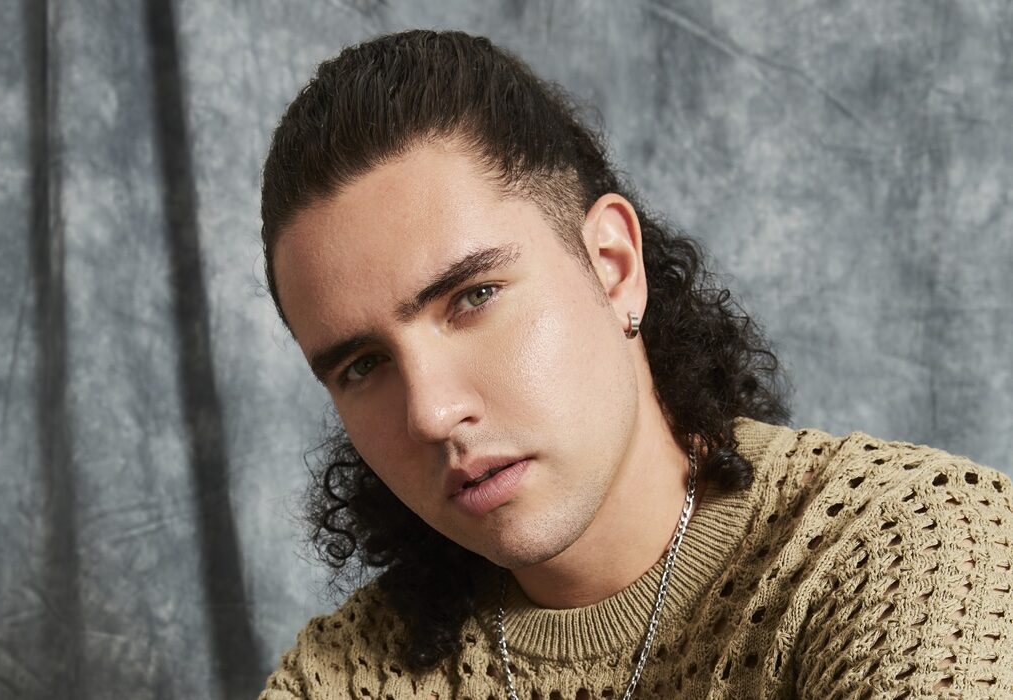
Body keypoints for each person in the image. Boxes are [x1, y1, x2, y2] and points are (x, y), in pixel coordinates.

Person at [256, 29, 1013, 699]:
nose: (430, 412)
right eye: (362, 366)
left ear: (613, 266)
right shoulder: (342, 677)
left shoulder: (909, 544)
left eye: (473, 297)